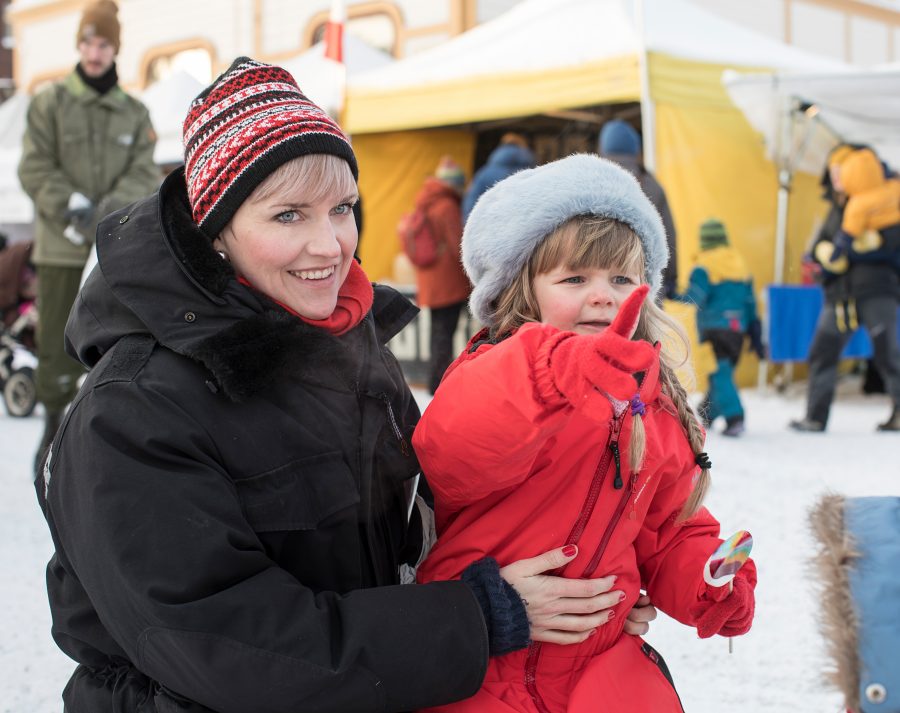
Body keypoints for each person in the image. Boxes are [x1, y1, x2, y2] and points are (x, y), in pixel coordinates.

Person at [33, 58, 657, 713]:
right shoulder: (132, 410)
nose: (330, 245)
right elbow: (233, 646)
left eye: (342, 209)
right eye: (288, 216)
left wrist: (586, 576)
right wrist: (477, 615)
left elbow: (413, 535)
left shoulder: (348, 345)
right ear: (215, 232)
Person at [413, 154, 757, 713]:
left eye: (621, 278)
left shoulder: (653, 404)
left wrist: (708, 581)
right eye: (575, 278)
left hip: (600, 661)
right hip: (484, 661)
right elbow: (452, 450)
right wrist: (550, 371)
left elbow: (670, 526)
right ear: (522, 291)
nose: (603, 295)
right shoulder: (501, 375)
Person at [18, 0, 159, 472]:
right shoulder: (50, 104)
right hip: (61, 249)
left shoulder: (135, 113)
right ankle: (53, 427)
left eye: (103, 44)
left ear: (115, 49)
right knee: (56, 341)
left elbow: (143, 173)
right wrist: (69, 205)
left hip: (111, 249)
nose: (94, 52)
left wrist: (103, 213)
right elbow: (35, 167)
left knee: (114, 335)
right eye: (87, 43)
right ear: (78, 46)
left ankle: (104, 427)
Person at [790, 146, 900, 433]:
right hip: (840, 295)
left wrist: (858, 251)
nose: (836, 178)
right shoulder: (837, 208)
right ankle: (815, 417)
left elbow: (893, 247)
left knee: (888, 353)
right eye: (834, 172)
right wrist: (822, 258)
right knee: (822, 352)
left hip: (877, 288)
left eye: (841, 172)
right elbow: (821, 244)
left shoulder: (888, 201)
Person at [672, 218, 763, 437]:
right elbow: (750, 302)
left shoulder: (704, 266)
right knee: (722, 373)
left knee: (719, 373)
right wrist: (755, 330)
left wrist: (672, 293)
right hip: (737, 330)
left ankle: (735, 417)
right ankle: (708, 413)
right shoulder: (739, 265)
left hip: (714, 329)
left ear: (704, 241)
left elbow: (695, 298)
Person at [409, 156, 472, 393]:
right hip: (448, 283)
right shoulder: (447, 206)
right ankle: (439, 383)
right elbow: (458, 246)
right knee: (445, 334)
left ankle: (434, 380)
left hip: (430, 280)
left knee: (438, 334)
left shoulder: (425, 201)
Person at [599, 119, 678, 300]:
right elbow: (668, 237)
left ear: (603, 149)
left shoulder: (590, 183)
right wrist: (671, 279)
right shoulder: (652, 186)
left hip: (599, 291)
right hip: (645, 287)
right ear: (636, 150)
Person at [461, 132, 535, 223]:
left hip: (489, 224)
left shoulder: (484, 172)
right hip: (521, 224)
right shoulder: (532, 172)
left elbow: (471, 200)